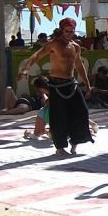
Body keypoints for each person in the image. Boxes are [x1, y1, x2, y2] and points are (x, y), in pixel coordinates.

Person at [18, 17, 93, 158]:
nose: (69, 33)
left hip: (71, 84)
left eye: (72, 31)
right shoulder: (54, 44)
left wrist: (88, 84)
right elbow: (37, 55)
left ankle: (75, 140)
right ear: (62, 30)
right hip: (56, 84)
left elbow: (79, 66)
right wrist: (25, 69)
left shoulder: (75, 46)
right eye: (67, 31)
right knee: (58, 117)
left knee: (82, 112)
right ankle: (60, 147)